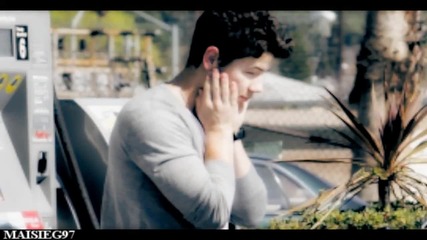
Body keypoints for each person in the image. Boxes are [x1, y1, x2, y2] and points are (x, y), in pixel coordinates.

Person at [100, 10, 292, 229]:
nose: (258, 88)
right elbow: (213, 215)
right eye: (251, 73)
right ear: (211, 59)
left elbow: (251, 213)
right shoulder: (152, 116)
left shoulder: (211, 115)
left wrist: (231, 133)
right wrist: (220, 131)